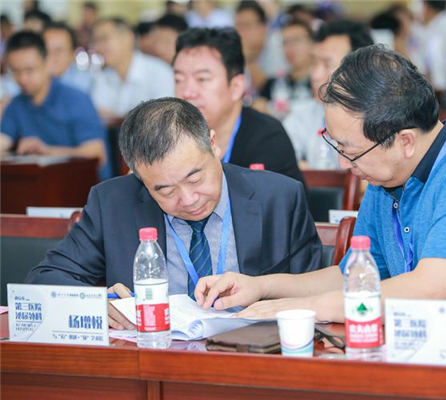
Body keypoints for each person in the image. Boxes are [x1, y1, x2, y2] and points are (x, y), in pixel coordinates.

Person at [195, 45, 446, 332]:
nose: (344, 165)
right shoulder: (385, 181)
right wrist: (261, 288)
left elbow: (429, 290)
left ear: (405, 141)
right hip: (443, 350)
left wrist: (307, 308)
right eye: (336, 145)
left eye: (351, 151)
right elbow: (350, 279)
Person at [25, 97, 323, 330]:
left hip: (254, 358)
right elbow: (44, 279)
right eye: (166, 190)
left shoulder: (279, 198)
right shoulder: (112, 203)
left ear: (214, 145)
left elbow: (315, 292)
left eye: (195, 178)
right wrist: (95, 303)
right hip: (152, 360)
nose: (189, 200)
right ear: (140, 178)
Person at [174, 27, 305, 185]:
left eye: (202, 79)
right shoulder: (172, 138)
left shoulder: (267, 138)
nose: (187, 92)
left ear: (236, 86)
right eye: (179, 80)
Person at [0, 31, 110, 180]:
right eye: (16, 71)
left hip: (82, 185)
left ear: (47, 62)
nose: (23, 79)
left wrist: (47, 151)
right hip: (42, 185)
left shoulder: (76, 100)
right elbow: (3, 141)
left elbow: (97, 153)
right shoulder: (16, 104)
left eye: (29, 70)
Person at [283, 19, 373, 169]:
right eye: (313, 63)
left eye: (327, 64)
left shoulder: (381, 120)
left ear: (360, 70)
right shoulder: (303, 116)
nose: (315, 75)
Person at [91, 17, 174, 119]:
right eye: (95, 41)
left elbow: (162, 116)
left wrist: (118, 118)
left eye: (104, 39)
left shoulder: (159, 72)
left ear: (128, 38)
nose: (98, 47)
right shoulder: (102, 77)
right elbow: (96, 115)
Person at [256, 18, 313, 119]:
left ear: (312, 43)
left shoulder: (320, 84)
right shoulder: (272, 84)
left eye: (296, 40)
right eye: (285, 42)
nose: (290, 47)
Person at [234, 0, 288, 99]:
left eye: (246, 25)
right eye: (238, 26)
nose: (241, 32)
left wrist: (249, 60)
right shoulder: (235, 49)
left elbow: (273, 89)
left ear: (264, 27)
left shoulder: (281, 46)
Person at [43, 22, 93, 94]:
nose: (51, 56)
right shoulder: (29, 81)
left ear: (72, 54)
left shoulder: (85, 84)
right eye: (46, 50)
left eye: (58, 50)